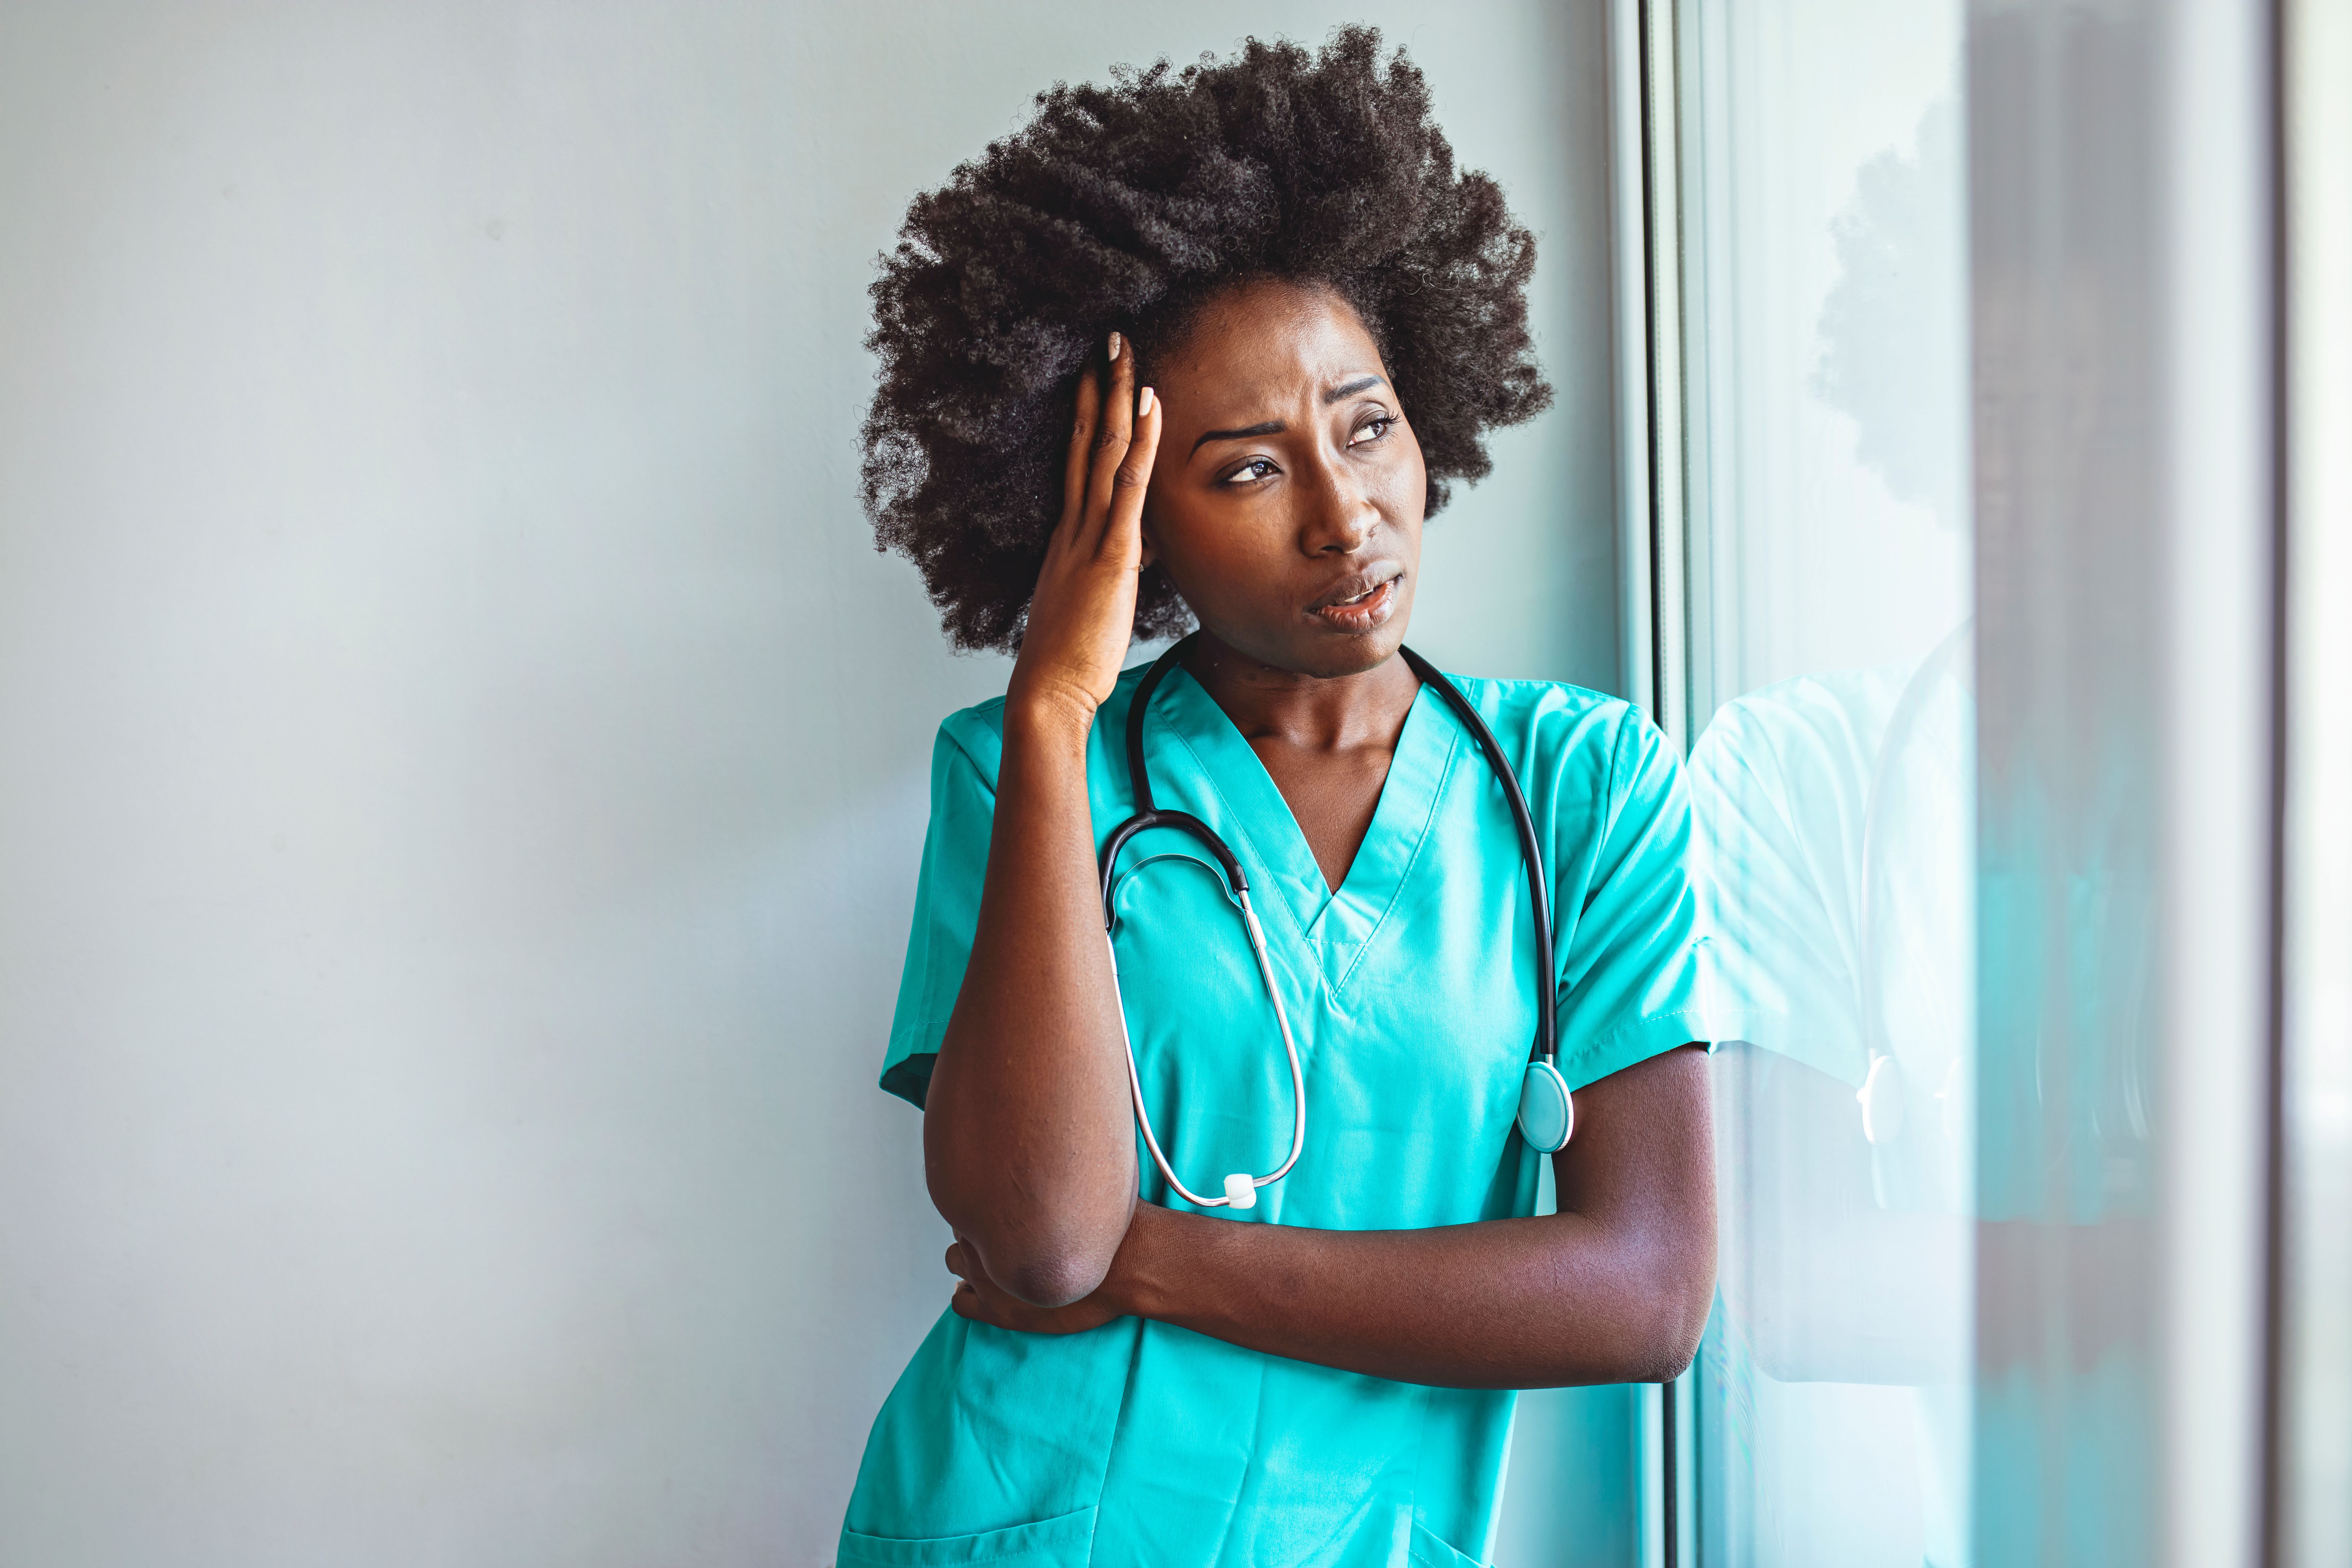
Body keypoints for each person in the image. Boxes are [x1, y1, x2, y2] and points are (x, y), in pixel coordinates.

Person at [841, 30, 1716, 1568]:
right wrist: (1057, 707)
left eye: (1368, 424)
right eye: (1247, 472)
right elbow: (1046, 1246)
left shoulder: (1584, 789)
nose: (1345, 514)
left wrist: (1166, 1263)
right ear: (1122, 522)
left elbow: (1646, 1297)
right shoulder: (1024, 772)